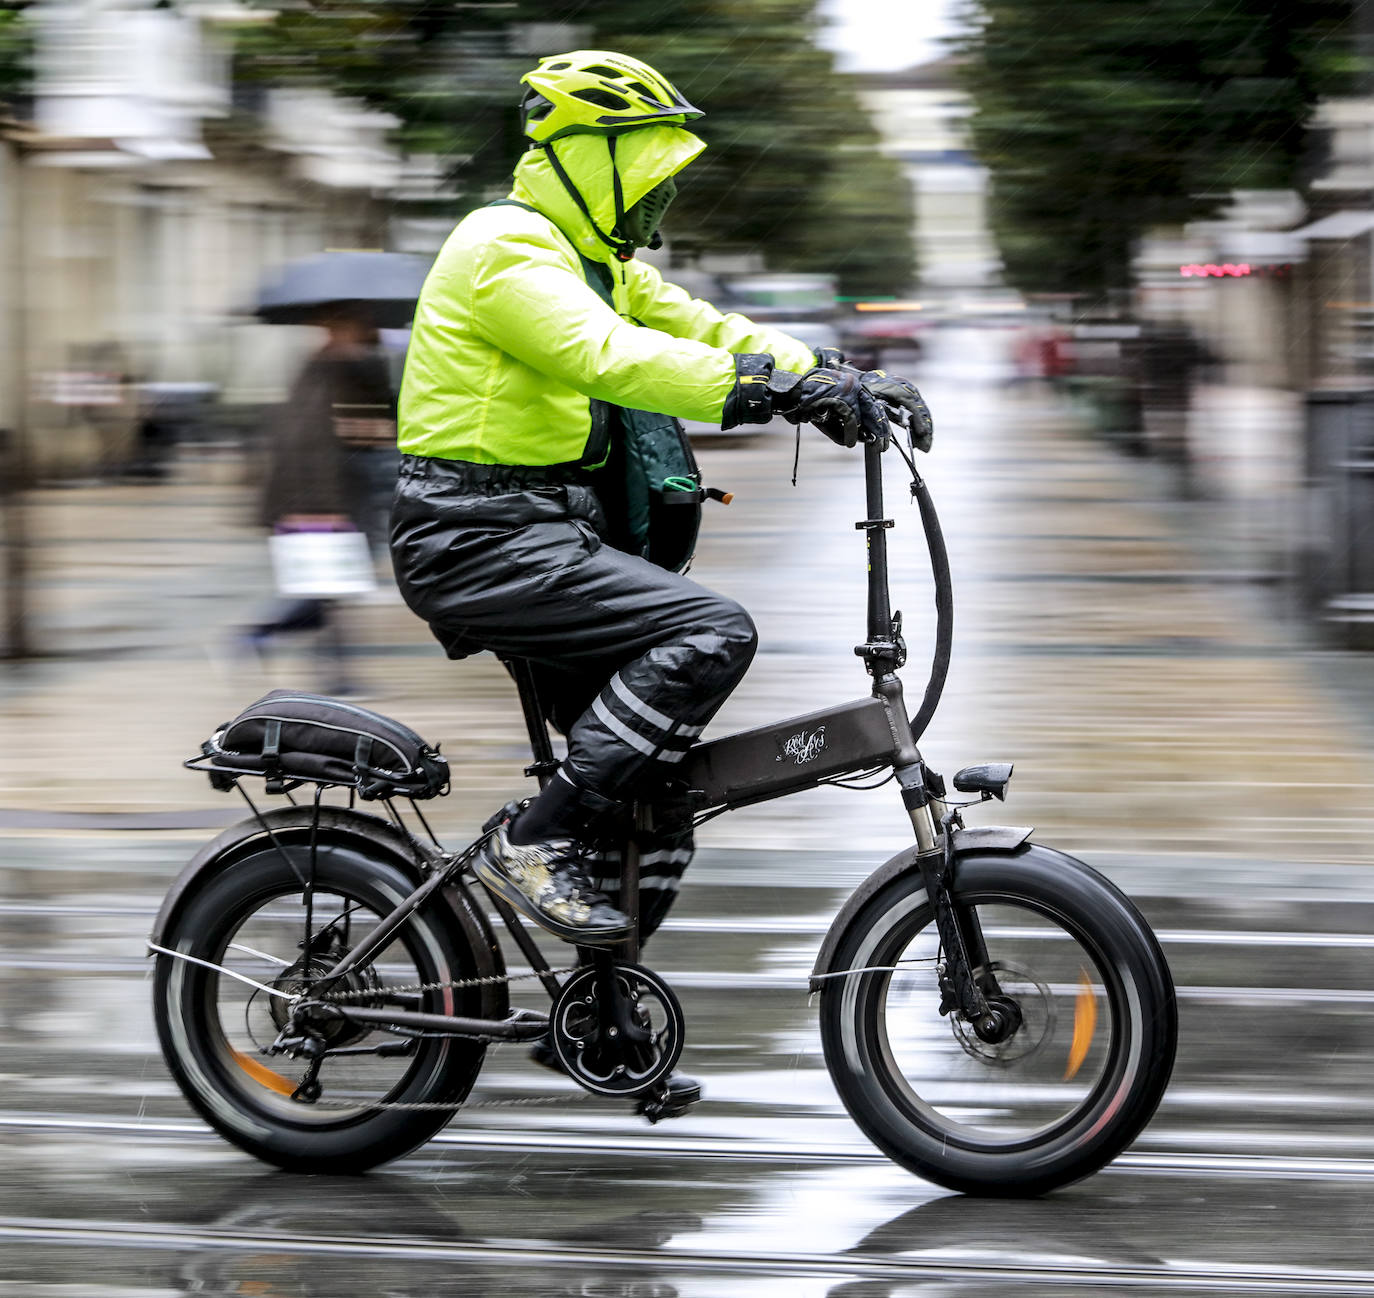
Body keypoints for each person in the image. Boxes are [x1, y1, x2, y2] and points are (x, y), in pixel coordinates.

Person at [392, 50, 932, 955]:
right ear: (588, 159)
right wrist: (762, 392)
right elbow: (604, 353)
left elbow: (707, 327)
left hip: (546, 527)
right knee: (712, 632)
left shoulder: (596, 262)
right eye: (648, 170)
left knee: (656, 795)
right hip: (472, 532)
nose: (660, 199)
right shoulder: (503, 247)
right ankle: (536, 843)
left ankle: (607, 1018)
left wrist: (838, 374)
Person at [245, 305, 396, 691]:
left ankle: (328, 670)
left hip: (342, 497)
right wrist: (320, 509)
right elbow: (307, 447)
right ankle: (261, 635)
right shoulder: (323, 372)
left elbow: (377, 425)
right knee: (330, 588)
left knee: (333, 588)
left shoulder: (349, 370)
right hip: (320, 502)